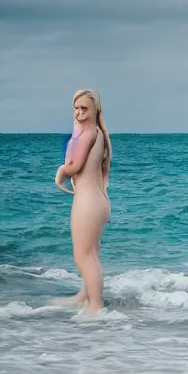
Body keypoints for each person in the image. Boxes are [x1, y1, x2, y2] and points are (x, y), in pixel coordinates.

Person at [52, 88, 113, 316]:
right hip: (98, 202)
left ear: (95, 109)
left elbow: (73, 166)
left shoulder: (87, 134)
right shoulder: (98, 133)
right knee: (91, 254)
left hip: (87, 203)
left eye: (84, 109)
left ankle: (95, 306)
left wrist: (60, 172)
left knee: (83, 256)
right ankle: (85, 295)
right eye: (76, 109)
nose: (79, 114)